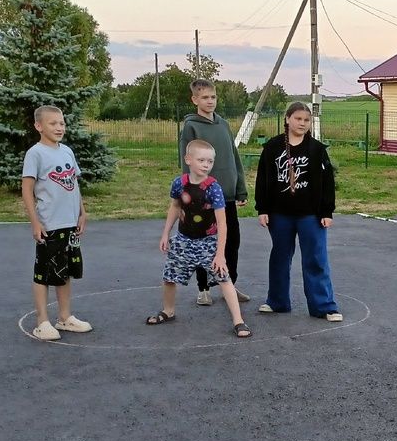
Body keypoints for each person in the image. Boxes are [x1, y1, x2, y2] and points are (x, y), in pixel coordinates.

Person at [145, 140, 251, 339]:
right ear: (188, 160)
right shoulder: (179, 183)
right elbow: (175, 207)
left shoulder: (213, 189)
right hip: (184, 241)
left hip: (208, 243)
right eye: (201, 160)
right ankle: (168, 311)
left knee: (224, 278)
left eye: (210, 161)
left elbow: (223, 223)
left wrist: (220, 255)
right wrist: (166, 233)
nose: (205, 165)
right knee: (169, 276)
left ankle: (238, 321)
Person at [254, 102, 343, 321]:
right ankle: (277, 301)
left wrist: (326, 212)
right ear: (287, 119)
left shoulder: (317, 149)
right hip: (279, 214)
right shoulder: (272, 148)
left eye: (306, 120)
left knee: (315, 258)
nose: (302, 123)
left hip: (310, 215)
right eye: (298, 119)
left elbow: (327, 182)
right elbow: (263, 179)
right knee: (280, 257)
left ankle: (324, 306)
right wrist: (263, 208)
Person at [22, 105, 92, 341]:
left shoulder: (67, 152)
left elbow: (74, 184)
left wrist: (82, 212)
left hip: (69, 223)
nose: (59, 127)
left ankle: (65, 317)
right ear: (39, 126)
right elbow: (27, 189)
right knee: (44, 272)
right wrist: (35, 222)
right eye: (53, 123)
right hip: (49, 224)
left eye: (61, 123)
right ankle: (42, 322)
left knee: (65, 270)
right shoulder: (36, 153)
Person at [179, 79, 250, 307]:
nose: (210, 101)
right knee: (204, 243)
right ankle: (203, 288)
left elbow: (233, 156)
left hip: (226, 196)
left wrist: (240, 188)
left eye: (213, 97)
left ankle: (230, 283)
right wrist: (190, 193)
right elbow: (187, 161)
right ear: (195, 100)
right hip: (204, 198)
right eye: (205, 97)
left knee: (231, 242)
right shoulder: (191, 126)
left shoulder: (224, 125)